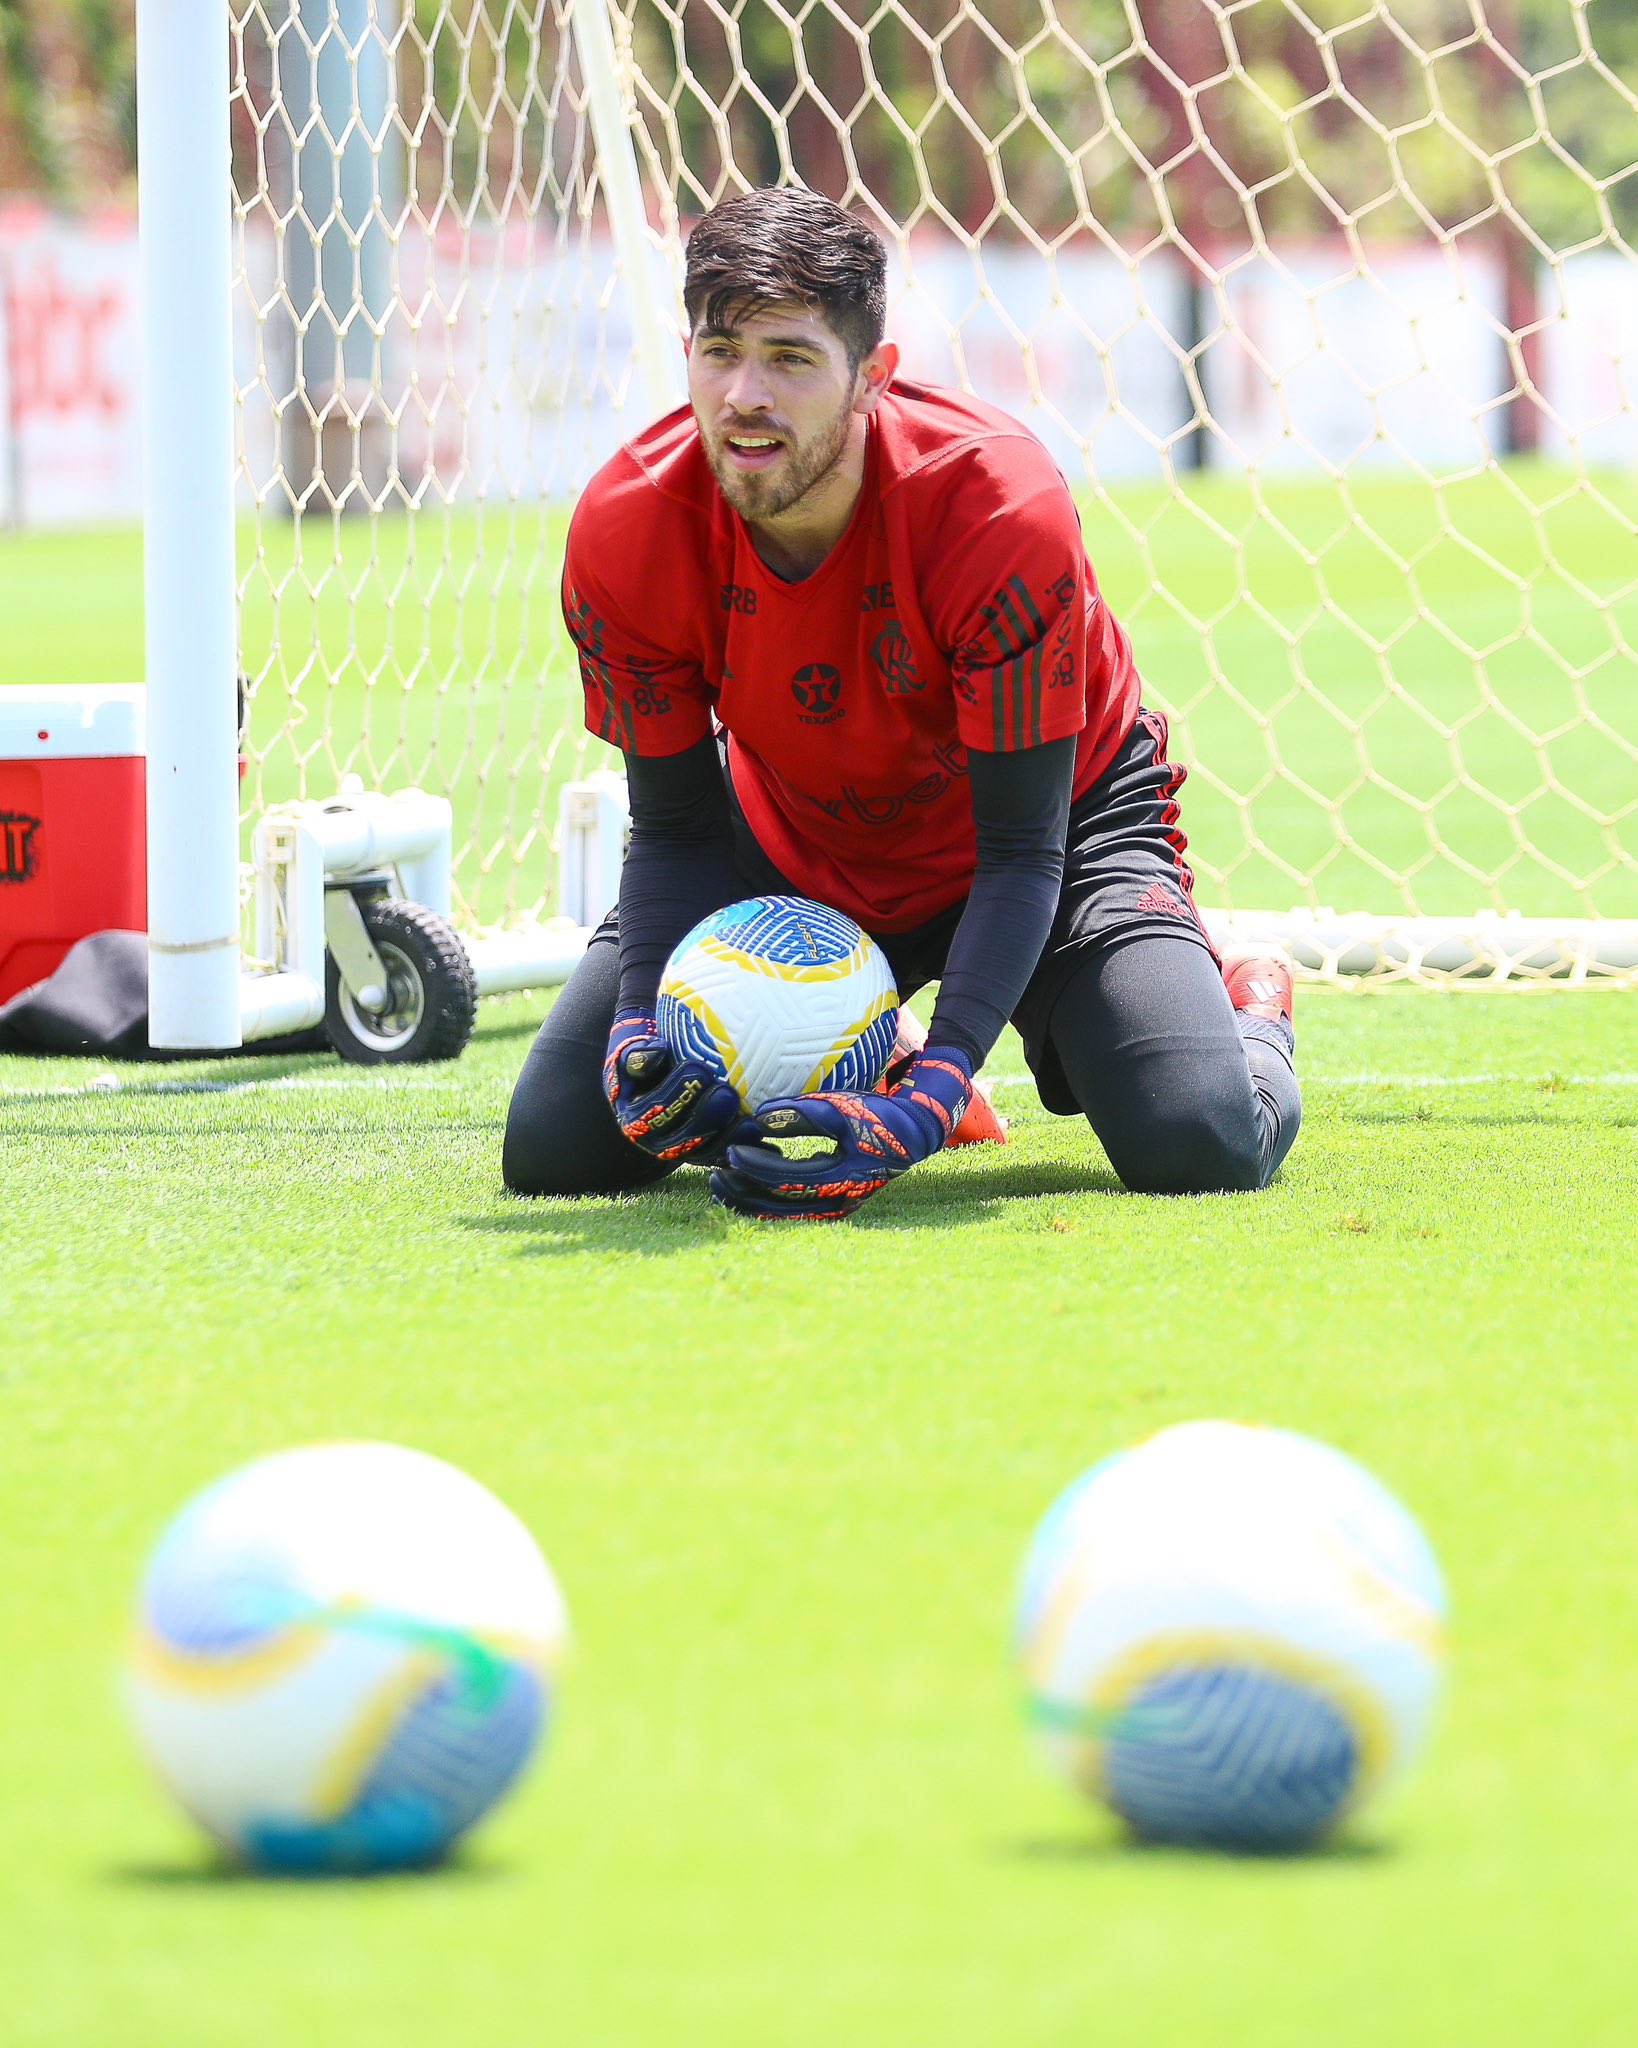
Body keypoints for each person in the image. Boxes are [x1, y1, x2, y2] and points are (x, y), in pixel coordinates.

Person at [503, 187, 1300, 1219]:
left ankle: (1250, 1005)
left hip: (1050, 831)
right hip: (795, 836)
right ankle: (875, 1035)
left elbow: (1022, 852)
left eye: (790, 358)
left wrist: (927, 1104)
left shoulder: (995, 510)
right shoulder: (627, 526)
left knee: (1197, 1138)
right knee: (560, 1144)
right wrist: (634, 1036)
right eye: (720, 350)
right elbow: (675, 827)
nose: (745, 394)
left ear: (873, 377)